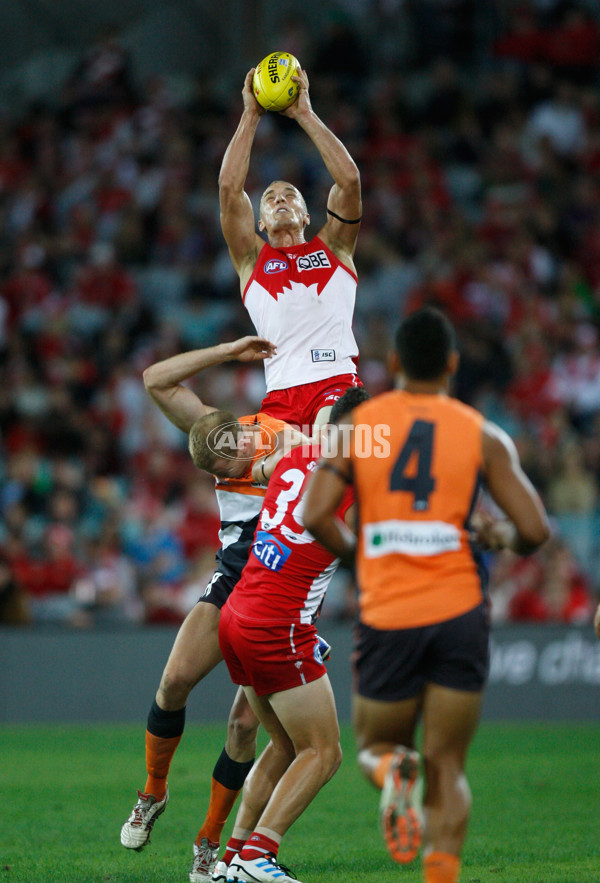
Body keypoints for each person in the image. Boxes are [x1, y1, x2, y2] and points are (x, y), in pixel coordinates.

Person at [302, 307, 550, 883]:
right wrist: (499, 535)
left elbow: (316, 513)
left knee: (377, 745)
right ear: (453, 365)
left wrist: (362, 555)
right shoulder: (481, 433)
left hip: (390, 611)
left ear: (393, 365)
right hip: (461, 608)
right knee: (449, 765)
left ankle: (392, 769)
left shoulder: (360, 428)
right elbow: (535, 531)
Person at [120, 335, 307, 883]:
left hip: (284, 590)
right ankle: (153, 792)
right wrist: (227, 351)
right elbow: (156, 378)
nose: (230, 470)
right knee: (174, 681)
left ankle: (210, 839)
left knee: (245, 725)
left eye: (231, 460)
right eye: (221, 468)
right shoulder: (217, 433)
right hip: (233, 578)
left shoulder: (297, 433)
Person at [216, 387, 369, 883]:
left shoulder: (296, 449)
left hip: (238, 614)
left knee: (283, 745)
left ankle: (230, 862)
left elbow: (257, 472)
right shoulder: (352, 474)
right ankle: (259, 856)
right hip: (276, 625)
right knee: (324, 752)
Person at [219, 64, 362, 435]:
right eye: (270, 197)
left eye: (290, 195)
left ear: (306, 216)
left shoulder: (335, 247)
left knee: (330, 449)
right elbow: (229, 191)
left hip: (335, 384)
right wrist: (250, 115)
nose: (280, 198)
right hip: (280, 397)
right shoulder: (251, 259)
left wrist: (305, 114)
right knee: (236, 466)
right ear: (260, 222)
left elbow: (349, 181)